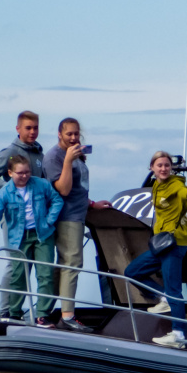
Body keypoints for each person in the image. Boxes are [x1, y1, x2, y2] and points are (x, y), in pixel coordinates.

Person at [0, 154, 63, 324]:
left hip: (42, 235)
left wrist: (48, 221)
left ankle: (42, 315)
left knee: (45, 275)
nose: (24, 176)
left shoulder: (41, 184)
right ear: (10, 173)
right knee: (18, 276)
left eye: (27, 172)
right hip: (19, 239)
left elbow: (57, 201)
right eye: (20, 173)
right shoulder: (5, 193)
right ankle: (14, 313)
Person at [123, 151, 187, 349]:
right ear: (152, 168)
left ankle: (178, 335)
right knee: (132, 272)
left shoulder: (175, 185)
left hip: (174, 244)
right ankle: (162, 297)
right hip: (161, 244)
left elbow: (184, 192)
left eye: (167, 165)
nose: (164, 168)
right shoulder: (157, 185)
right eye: (160, 165)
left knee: (174, 290)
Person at [45, 118, 112, 332]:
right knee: (72, 264)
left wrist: (92, 204)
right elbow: (63, 190)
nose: (73, 138)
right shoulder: (55, 157)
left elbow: (78, 189)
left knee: (65, 265)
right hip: (66, 217)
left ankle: (44, 310)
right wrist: (67, 161)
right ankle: (67, 316)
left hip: (79, 213)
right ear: (59, 134)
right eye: (69, 134)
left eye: (76, 134)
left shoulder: (77, 155)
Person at [0, 111, 44, 190]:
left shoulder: (40, 155)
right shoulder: (10, 152)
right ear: (18, 129)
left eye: (35, 128)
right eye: (28, 128)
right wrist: (12, 189)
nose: (32, 132)